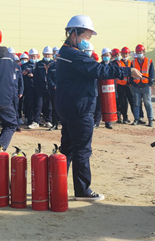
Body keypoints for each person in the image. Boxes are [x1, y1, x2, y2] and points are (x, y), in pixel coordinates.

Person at [56, 15, 142, 201]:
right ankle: (82, 191)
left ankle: (57, 186)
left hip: (69, 106)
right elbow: (100, 70)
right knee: (82, 150)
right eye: (86, 37)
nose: (87, 41)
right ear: (73, 34)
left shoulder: (65, 53)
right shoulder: (75, 55)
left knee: (68, 149)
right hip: (80, 108)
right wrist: (127, 71)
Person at [131, 44, 155, 127]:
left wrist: (150, 84)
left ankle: (150, 120)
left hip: (145, 86)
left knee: (147, 103)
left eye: (140, 52)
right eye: (137, 52)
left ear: (144, 52)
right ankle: (136, 119)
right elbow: (130, 74)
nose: (139, 53)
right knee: (136, 104)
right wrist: (133, 84)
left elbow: (152, 73)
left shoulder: (149, 61)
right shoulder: (133, 62)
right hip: (136, 86)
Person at [112, 46, 134, 124]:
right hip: (121, 85)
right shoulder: (118, 63)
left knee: (132, 101)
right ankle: (123, 117)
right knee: (122, 102)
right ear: (121, 54)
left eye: (126, 54)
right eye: (123, 54)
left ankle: (135, 117)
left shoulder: (130, 63)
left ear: (129, 54)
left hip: (129, 85)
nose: (125, 55)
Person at [33, 46, 53, 128]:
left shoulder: (54, 64)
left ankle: (48, 120)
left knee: (49, 106)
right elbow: (35, 76)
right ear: (43, 54)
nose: (47, 56)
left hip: (50, 88)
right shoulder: (39, 64)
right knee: (38, 105)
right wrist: (36, 86)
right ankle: (36, 121)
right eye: (45, 54)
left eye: (49, 54)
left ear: (51, 54)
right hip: (40, 88)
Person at [21, 49, 38, 128]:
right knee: (29, 104)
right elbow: (20, 75)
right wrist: (23, 74)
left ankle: (36, 119)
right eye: (31, 56)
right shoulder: (25, 66)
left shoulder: (39, 65)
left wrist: (34, 76)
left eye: (34, 56)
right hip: (28, 87)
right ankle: (29, 119)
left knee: (37, 104)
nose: (33, 57)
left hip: (37, 87)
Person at [99, 48, 114, 130]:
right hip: (101, 87)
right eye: (104, 55)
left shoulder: (113, 65)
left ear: (110, 56)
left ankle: (108, 122)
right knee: (99, 105)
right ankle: (96, 122)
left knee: (109, 104)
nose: (106, 57)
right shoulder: (99, 65)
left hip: (110, 88)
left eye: (107, 55)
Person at [47, 48, 59, 130]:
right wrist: (53, 85)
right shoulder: (52, 66)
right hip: (54, 90)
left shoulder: (67, 67)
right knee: (54, 107)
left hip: (64, 90)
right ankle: (55, 124)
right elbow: (49, 77)